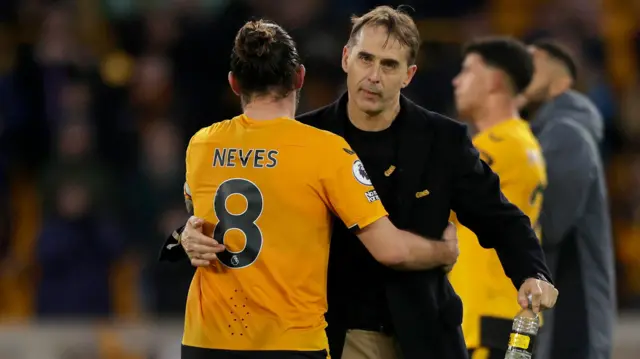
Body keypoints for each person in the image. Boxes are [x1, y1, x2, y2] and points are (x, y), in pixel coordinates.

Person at [162, 7, 559, 359]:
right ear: (346, 58)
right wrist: (188, 236)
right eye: (366, 58)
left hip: (423, 333)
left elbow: (500, 217)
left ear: (409, 75)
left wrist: (532, 273)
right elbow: (244, 222)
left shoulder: (444, 141)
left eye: (389, 65)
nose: (373, 76)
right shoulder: (305, 139)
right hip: (341, 334)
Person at [175, 18, 462, 359]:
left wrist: (183, 238)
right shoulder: (326, 150)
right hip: (289, 342)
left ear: (234, 83)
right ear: (299, 77)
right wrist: (442, 251)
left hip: (205, 342)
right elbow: (391, 250)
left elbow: (196, 225)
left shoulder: (202, 144)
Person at [447, 37, 547, 359]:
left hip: (486, 313)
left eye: (467, 70)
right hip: (505, 313)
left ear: (494, 80)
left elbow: (434, 203)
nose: (456, 80)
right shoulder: (524, 142)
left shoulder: (497, 146)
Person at [518, 40, 616, 359]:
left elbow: (548, 226)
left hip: (569, 326)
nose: (523, 62)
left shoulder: (566, 133)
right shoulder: (541, 133)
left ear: (562, 82)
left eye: (536, 59)